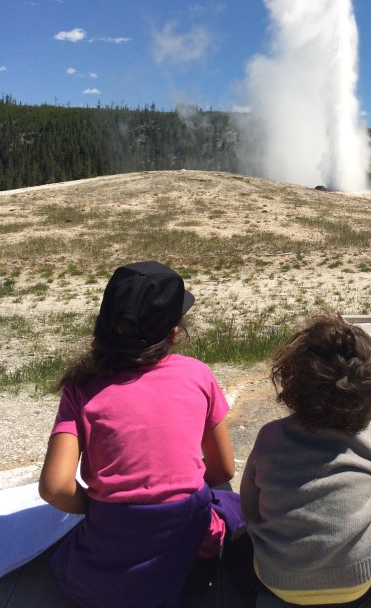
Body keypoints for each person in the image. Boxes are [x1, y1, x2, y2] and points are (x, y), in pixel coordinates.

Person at [39, 261, 235, 608]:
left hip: (104, 579)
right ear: (174, 333)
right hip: (187, 568)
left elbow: (54, 487)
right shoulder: (197, 374)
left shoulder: (81, 386)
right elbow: (224, 469)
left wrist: (100, 508)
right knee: (228, 505)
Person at [240, 313, 371, 607]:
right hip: (357, 584)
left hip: (277, 580)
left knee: (237, 550)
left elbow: (249, 507)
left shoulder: (271, 436)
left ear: (291, 384)